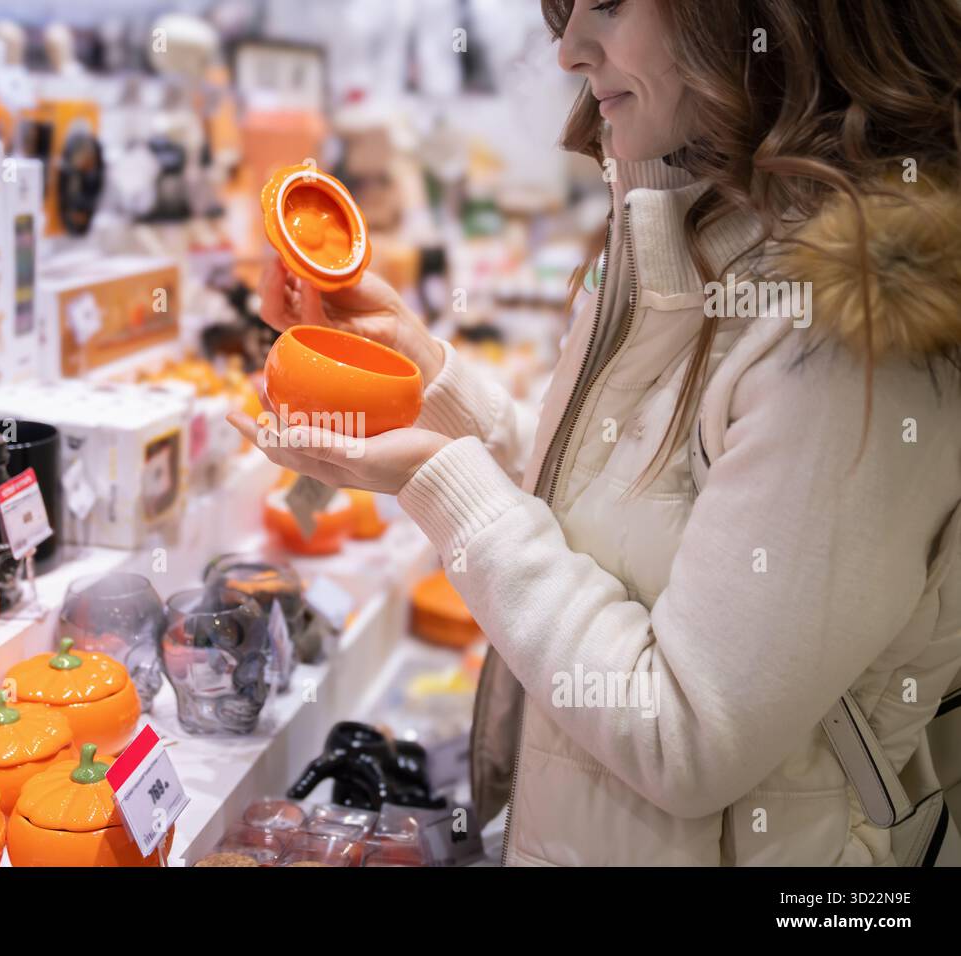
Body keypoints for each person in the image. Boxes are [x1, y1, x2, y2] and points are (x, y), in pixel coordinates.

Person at [229, 0, 961, 865]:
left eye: (609, 4)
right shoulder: (698, 225)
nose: (571, 49)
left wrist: (442, 486)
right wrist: (427, 378)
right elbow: (612, 514)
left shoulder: (851, 333)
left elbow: (687, 737)